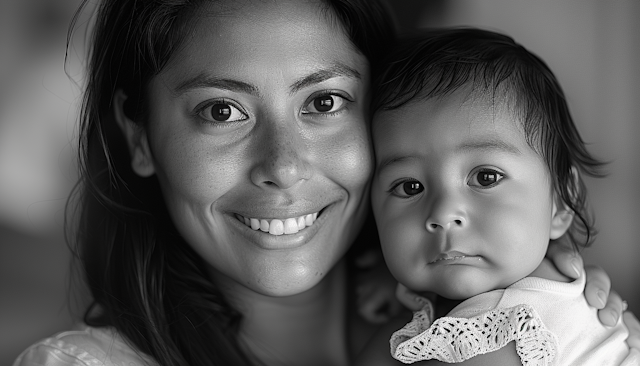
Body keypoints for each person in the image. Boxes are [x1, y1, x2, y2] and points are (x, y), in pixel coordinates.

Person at [12, 2, 638, 365]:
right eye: (221, 111)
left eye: (325, 102)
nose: (282, 166)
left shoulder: (499, 324)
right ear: (140, 137)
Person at [356, 28, 634, 365]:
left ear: (561, 201)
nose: (443, 213)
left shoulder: (511, 323)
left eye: (485, 178)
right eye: (410, 187)